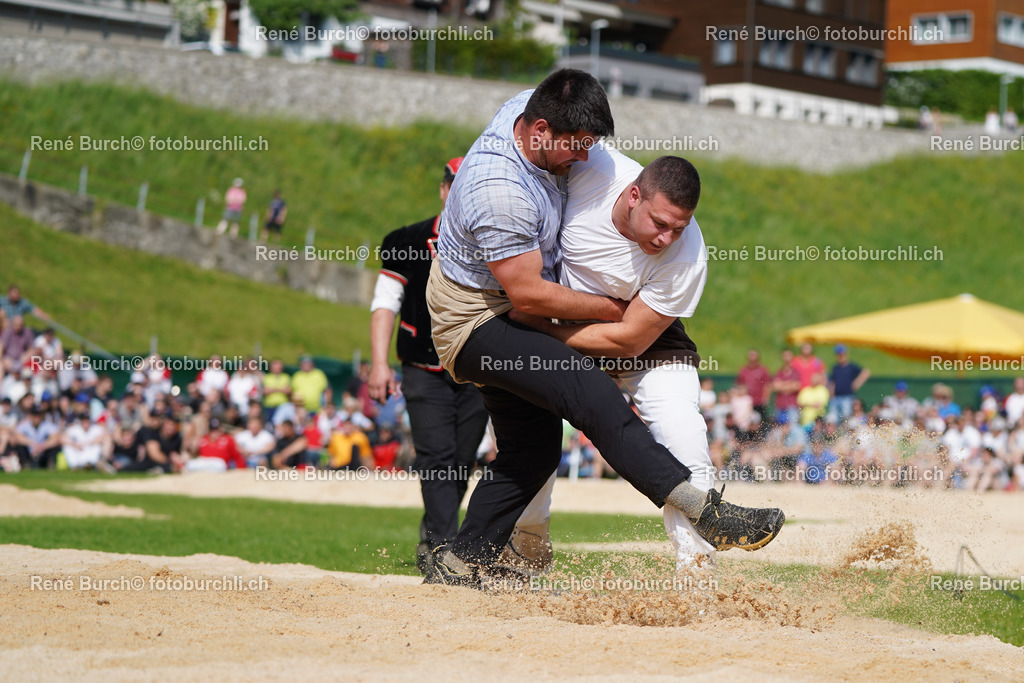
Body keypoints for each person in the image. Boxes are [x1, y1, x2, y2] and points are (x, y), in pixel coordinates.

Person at [424, 69, 784, 586]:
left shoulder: (537, 114)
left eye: (591, 144)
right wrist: (611, 308)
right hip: (478, 317)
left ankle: (462, 560)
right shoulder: (499, 189)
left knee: (533, 451)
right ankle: (706, 512)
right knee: (589, 393)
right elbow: (525, 297)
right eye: (576, 146)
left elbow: (631, 337)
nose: (584, 158)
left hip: (533, 314)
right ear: (540, 130)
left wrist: (605, 317)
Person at [508, 146, 727, 570]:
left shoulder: (688, 255)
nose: (666, 238)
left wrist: (543, 331)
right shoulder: (595, 169)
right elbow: (539, 132)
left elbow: (630, 340)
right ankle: (525, 552)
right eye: (659, 223)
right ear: (632, 196)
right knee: (531, 439)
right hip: (563, 317)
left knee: (684, 437)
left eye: (678, 229)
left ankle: (697, 571)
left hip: (641, 336)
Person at [368, 156, 489, 573]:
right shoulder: (407, 239)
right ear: (443, 190)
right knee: (435, 455)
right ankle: (443, 549)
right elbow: (385, 303)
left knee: (461, 458)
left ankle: (432, 538)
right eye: (455, 185)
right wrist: (379, 364)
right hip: (422, 367)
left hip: (476, 370)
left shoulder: (495, 242)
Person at [827, 344, 869, 424]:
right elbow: (833, 381)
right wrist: (831, 392)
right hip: (836, 397)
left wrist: (857, 383)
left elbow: (865, 372)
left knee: (846, 418)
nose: (840, 356)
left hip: (847, 396)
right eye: (838, 354)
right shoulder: (835, 367)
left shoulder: (851, 366)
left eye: (842, 354)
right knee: (834, 419)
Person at [736, 349, 772, 424]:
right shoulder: (744, 370)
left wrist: (766, 397)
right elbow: (739, 384)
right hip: (746, 401)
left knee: (760, 422)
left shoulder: (763, 370)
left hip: (759, 401)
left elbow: (767, 385)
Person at [772, 349, 801, 426]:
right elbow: (775, 387)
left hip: (792, 405)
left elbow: (796, 386)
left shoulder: (796, 372)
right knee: (779, 428)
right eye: (785, 355)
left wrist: (782, 385)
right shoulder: (779, 372)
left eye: (789, 355)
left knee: (793, 427)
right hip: (780, 405)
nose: (787, 358)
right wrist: (789, 384)